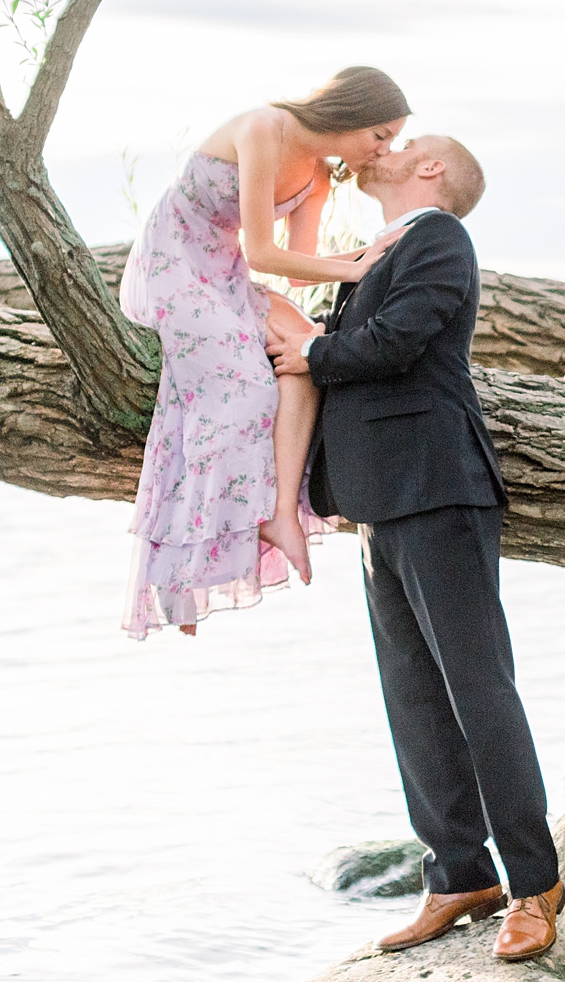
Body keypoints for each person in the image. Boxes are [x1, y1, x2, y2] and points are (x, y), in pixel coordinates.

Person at [265, 135, 565, 962]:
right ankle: (458, 875)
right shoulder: (374, 251)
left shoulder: (440, 239)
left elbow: (398, 341)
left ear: (431, 170)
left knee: (479, 693)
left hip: (440, 492)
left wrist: (315, 351)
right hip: (379, 509)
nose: (384, 147)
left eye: (404, 142)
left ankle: (534, 885)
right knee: (413, 701)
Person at [118, 67, 408, 639]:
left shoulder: (321, 179)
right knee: (244, 389)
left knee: (307, 361)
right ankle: (183, 568)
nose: (384, 149)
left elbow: (296, 270)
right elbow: (262, 250)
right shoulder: (262, 128)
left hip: (225, 276)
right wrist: (352, 266)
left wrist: (367, 254)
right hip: (174, 266)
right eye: (381, 134)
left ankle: (278, 516)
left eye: (393, 141)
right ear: (350, 111)